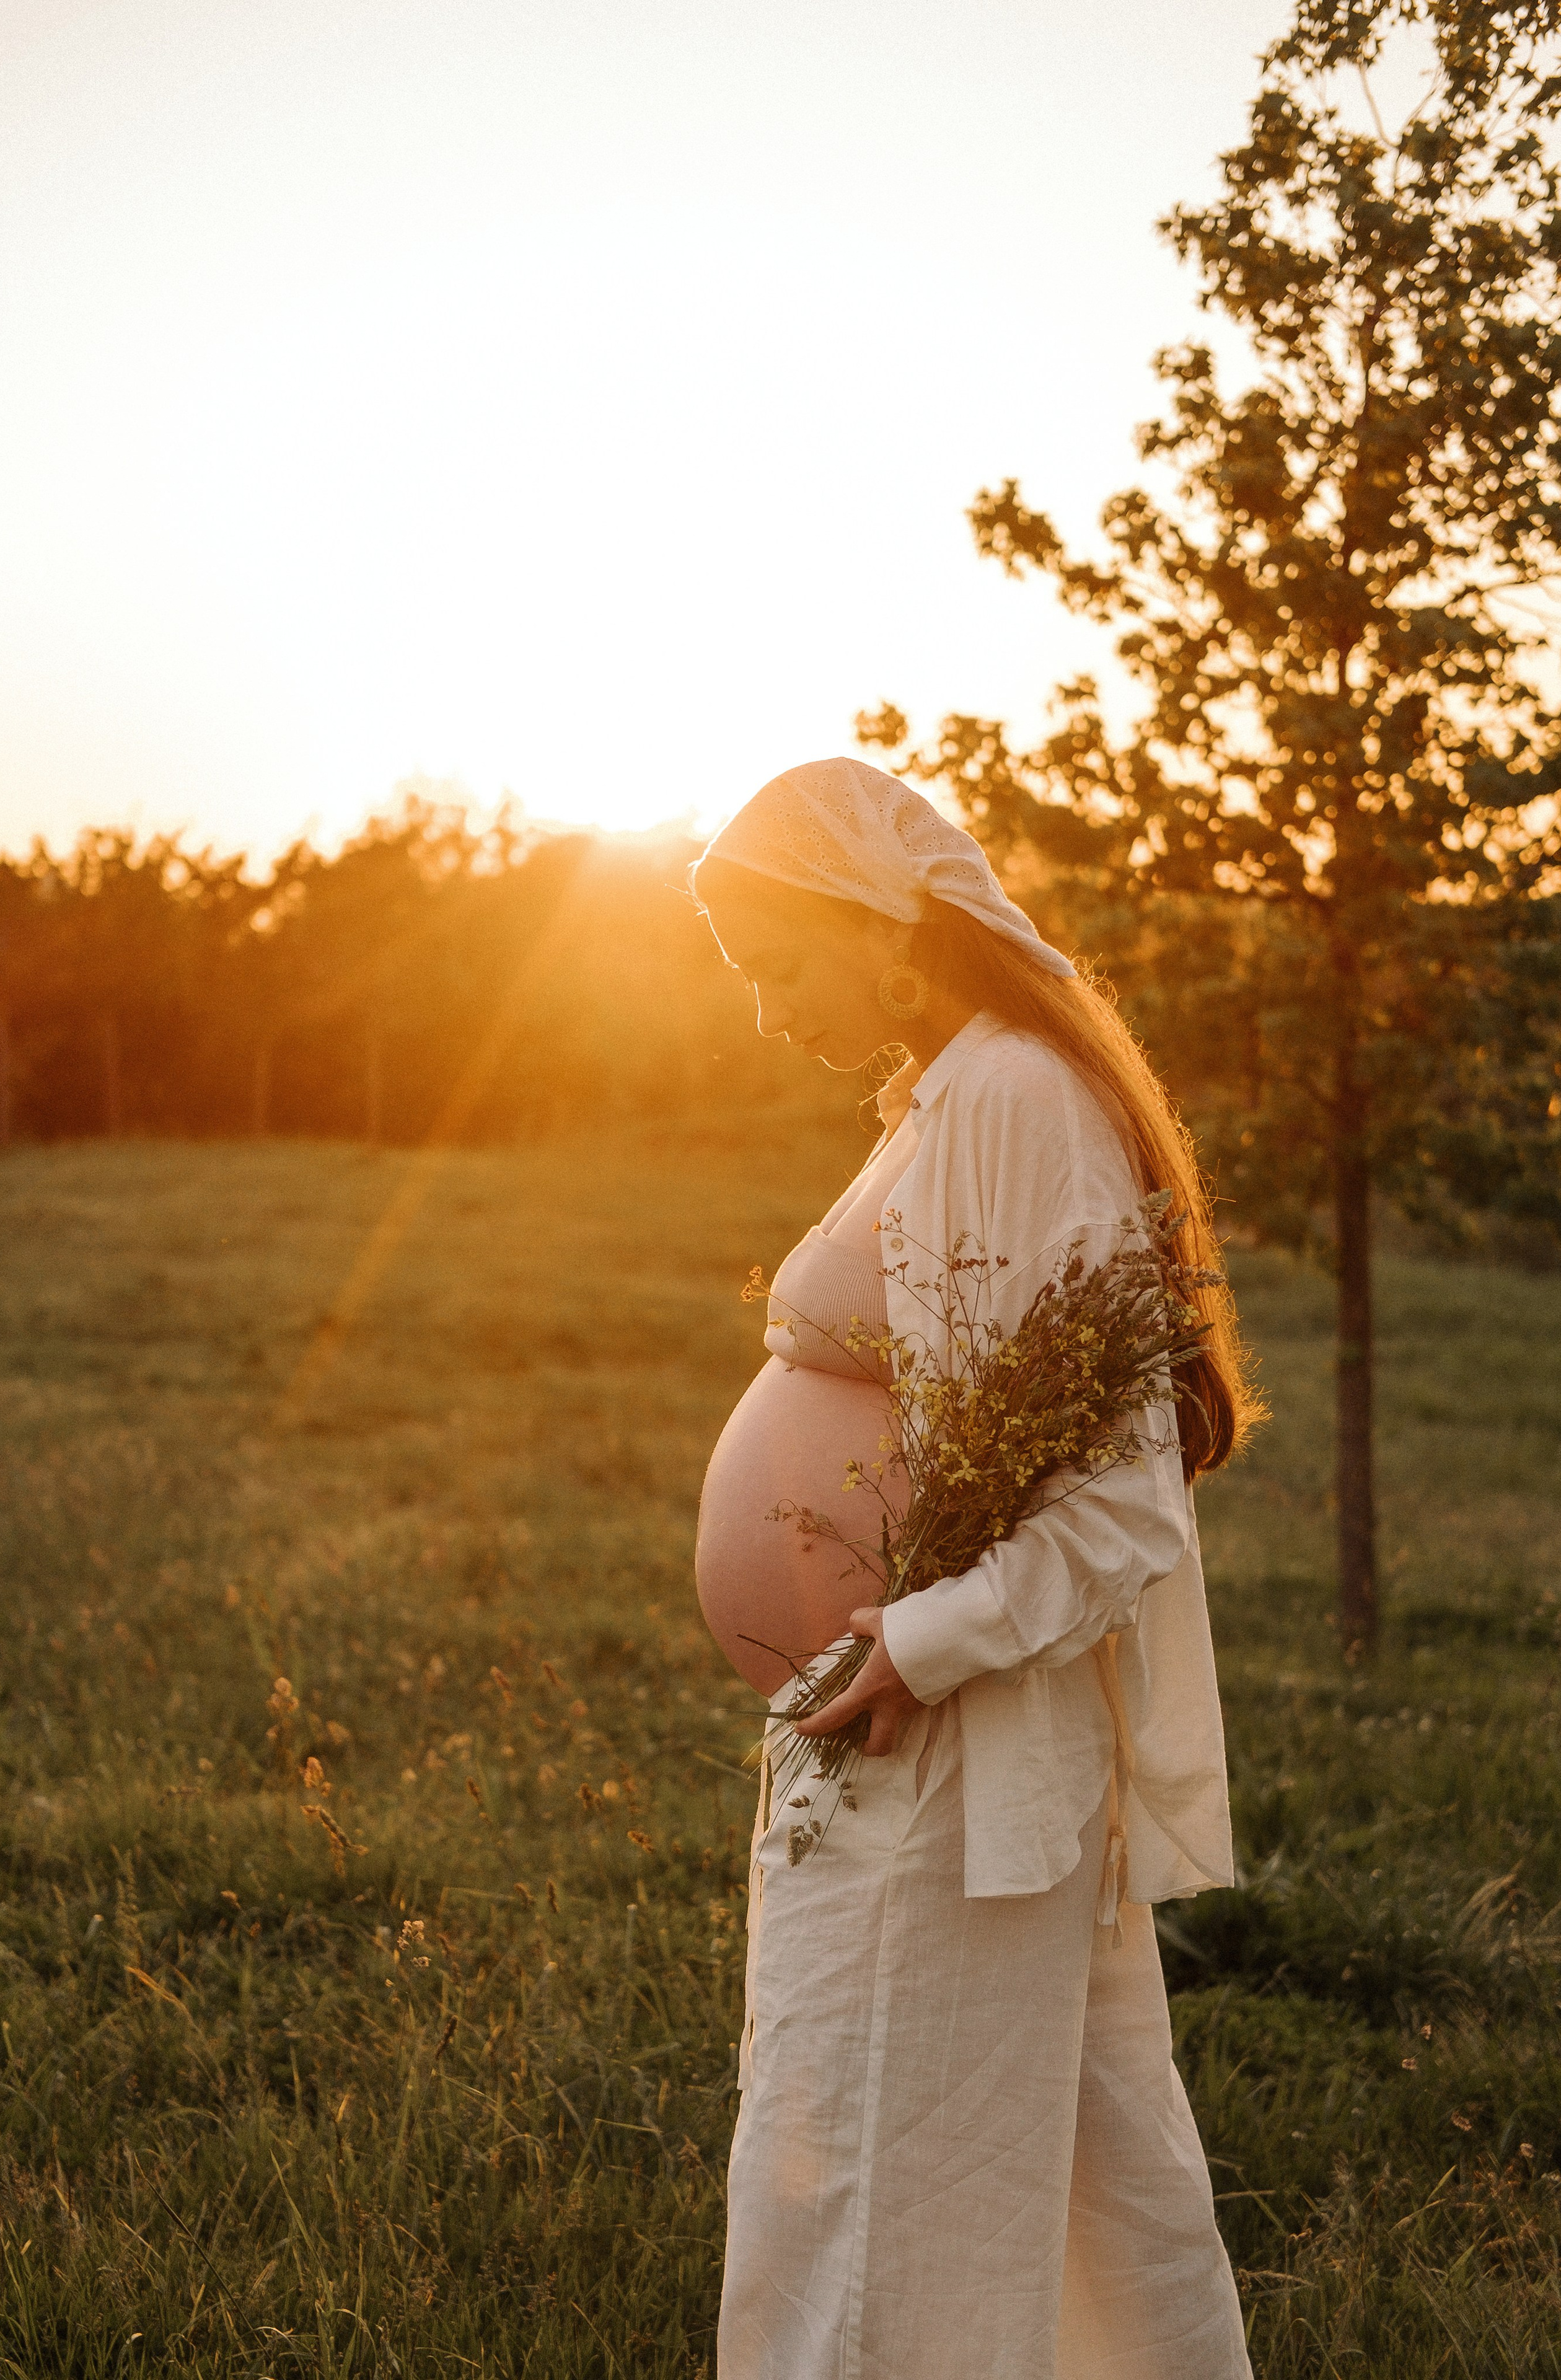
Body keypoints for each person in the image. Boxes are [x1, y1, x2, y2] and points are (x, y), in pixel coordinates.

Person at [690, 757, 1257, 2380]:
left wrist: (921, 1642)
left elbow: (1124, 1498)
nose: (764, 1015)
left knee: (875, 2195)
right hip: (912, 1740)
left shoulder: (1013, 1098)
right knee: (1073, 2199)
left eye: (776, 967)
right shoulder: (951, 1095)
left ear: (876, 925)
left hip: (951, 1741)